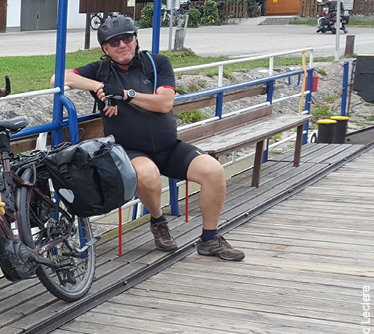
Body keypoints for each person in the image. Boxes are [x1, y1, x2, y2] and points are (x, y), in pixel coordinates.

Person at [53, 15, 244, 261]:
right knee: (147, 174)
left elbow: (165, 103)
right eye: (113, 42)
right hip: (131, 151)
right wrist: (101, 88)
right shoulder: (101, 70)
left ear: (135, 40)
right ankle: (158, 220)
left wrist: (123, 94)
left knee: (214, 171)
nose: (121, 45)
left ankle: (209, 239)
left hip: (169, 147)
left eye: (127, 38)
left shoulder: (157, 64)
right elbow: (58, 78)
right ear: (105, 49)